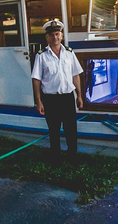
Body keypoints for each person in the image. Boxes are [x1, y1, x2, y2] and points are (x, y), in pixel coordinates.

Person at [31, 19, 84, 165]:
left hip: (68, 97)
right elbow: (36, 79)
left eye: (57, 34)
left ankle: (72, 157)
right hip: (50, 99)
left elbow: (75, 75)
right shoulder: (41, 56)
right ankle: (56, 159)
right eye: (51, 35)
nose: (55, 37)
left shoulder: (69, 53)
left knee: (71, 129)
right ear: (47, 38)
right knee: (54, 130)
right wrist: (38, 101)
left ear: (61, 36)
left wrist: (79, 96)